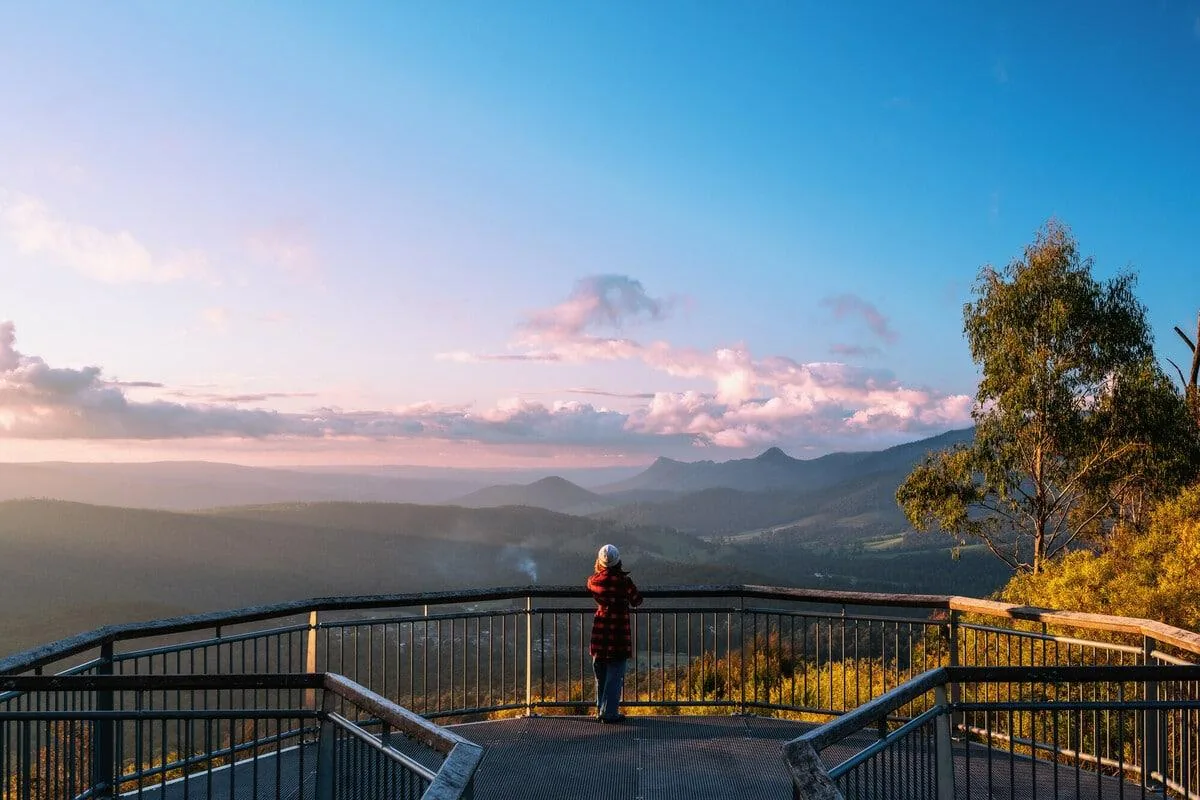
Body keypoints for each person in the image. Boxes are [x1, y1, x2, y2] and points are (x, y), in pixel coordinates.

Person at [586, 543, 643, 723]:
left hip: (600, 634)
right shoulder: (624, 582)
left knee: (600, 675)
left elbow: (590, 583)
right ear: (618, 561)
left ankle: (600, 710)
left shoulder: (594, 581)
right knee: (614, 676)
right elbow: (637, 600)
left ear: (600, 562)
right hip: (619, 634)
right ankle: (609, 713)